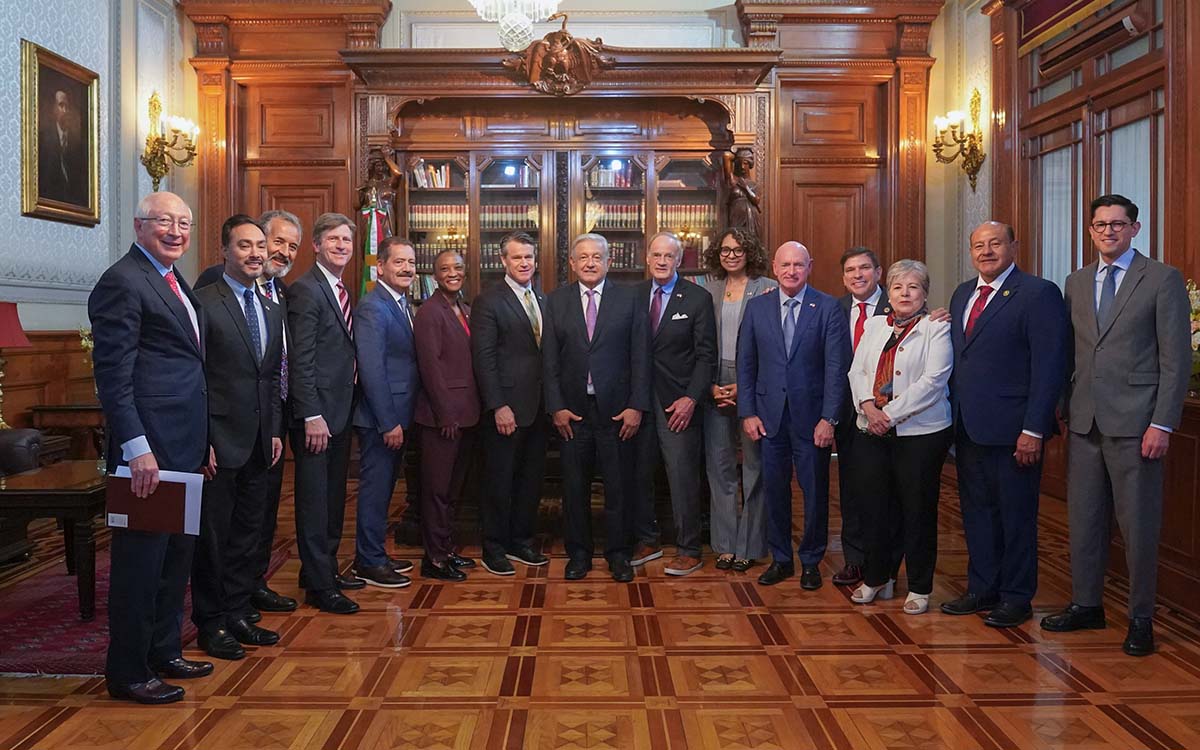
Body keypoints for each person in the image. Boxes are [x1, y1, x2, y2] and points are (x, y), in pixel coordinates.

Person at [1041, 194, 1191, 656]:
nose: (1109, 231)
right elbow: (1071, 350)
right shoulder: (1077, 281)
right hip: (1084, 421)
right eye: (1101, 225)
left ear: (1135, 229)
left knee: (1138, 526)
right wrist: (1064, 405)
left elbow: (1176, 359)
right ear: (1090, 231)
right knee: (1083, 520)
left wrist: (1162, 424)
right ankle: (1087, 605)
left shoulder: (1162, 279)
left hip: (1137, 423)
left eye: (1118, 224)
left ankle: (1140, 617)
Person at [89, 191, 211, 704]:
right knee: (140, 565)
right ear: (140, 226)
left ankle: (164, 650)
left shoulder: (173, 279)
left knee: (174, 560)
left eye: (184, 222)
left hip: (183, 446)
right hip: (149, 454)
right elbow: (113, 377)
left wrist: (203, 443)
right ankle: (129, 672)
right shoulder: (122, 281)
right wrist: (136, 448)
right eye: (164, 221)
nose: (176, 231)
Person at [943, 221, 1068, 627]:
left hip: (1015, 431)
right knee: (977, 513)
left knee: (1016, 517)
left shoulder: (1038, 294)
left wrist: (1034, 429)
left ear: (1014, 245)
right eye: (978, 245)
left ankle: (1016, 597)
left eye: (995, 243)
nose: (987, 251)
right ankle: (982, 588)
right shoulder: (963, 293)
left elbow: (1050, 367)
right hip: (968, 427)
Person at [196, 209, 303, 618]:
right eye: (248, 245)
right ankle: (214, 619)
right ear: (225, 250)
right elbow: (200, 375)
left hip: (263, 434)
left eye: (264, 246)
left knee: (251, 529)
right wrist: (203, 437)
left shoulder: (273, 301)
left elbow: (271, 373)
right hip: (220, 437)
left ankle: (241, 607)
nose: (260, 253)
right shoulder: (206, 297)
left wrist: (274, 429)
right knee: (216, 535)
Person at [737, 241, 850, 590]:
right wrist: (748, 412)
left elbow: (836, 368)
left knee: (815, 493)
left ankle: (812, 561)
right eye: (785, 265)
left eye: (798, 265)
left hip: (812, 419)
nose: (791, 271)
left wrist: (829, 418)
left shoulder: (828, 307)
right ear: (774, 267)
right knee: (774, 491)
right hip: (769, 418)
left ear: (809, 266)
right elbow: (746, 364)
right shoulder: (756, 308)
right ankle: (781, 559)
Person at [543, 233, 650, 583]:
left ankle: (619, 554)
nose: (590, 263)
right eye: (583, 257)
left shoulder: (630, 299)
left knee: (619, 487)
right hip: (573, 413)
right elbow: (549, 362)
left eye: (597, 257)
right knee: (574, 488)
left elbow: (640, 356)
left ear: (609, 262)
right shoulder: (555, 301)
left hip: (618, 412)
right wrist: (556, 406)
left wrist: (637, 405)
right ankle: (579, 554)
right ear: (572, 263)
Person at [846, 260, 952, 615]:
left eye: (913, 287)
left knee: (916, 509)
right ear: (887, 293)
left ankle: (920, 586)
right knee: (874, 509)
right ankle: (879, 577)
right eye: (897, 287)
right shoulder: (875, 326)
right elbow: (857, 369)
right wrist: (867, 407)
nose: (905, 293)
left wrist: (888, 415)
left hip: (920, 434)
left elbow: (933, 383)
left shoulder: (935, 328)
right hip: (871, 429)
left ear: (924, 294)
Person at [630, 232, 716, 576]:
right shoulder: (632, 296)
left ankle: (689, 548)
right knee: (639, 474)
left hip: (677, 403)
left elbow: (707, 355)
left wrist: (691, 398)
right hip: (637, 401)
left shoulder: (697, 298)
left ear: (680, 260)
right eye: (656, 255)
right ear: (647, 259)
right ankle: (647, 540)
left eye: (669, 256)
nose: (662, 261)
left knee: (682, 477)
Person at [288, 212, 362, 614]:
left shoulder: (338, 288)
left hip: (340, 410)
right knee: (315, 501)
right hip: (317, 417)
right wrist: (311, 414)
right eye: (333, 240)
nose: (341, 247)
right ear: (315, 245)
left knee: (334, 497)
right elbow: (301, 360)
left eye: (346, 241)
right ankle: (319, 586)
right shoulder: (306, 290)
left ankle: (324, 569)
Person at [471, 232, 550, 576]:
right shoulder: (489, 301)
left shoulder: (543, 300)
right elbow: (483, 359)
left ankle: (521, 541)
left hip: (539, 407)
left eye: (529, 257)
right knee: (499, 480)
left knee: (530, 479)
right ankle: (494, 547)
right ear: (503, 260)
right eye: (517, 257)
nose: (524, 263)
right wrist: (497, 405)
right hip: (506, 408)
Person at [350, 237, 421, 588]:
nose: (407, 268)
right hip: (382, 419)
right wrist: (388, 421)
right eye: (399, 262)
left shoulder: (400, 303)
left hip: (399, 415)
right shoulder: (372, 306)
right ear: (381, 267)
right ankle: (369, 562)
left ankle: (376, 551)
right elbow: (372, 368)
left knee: (385, 490)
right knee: (375, 491)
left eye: (411, 262)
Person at [703, 227, 773, 572]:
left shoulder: (767, 288)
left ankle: (751, 544)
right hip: (715, 383)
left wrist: (744, 388)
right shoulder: (708, 289)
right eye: (725, 250)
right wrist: (711, 385)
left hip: (754, 384)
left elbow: (773, 349)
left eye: (738, 250)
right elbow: (699, 343)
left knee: (755, 468)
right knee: (720, 468)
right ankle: (726, 545)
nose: (731, 255)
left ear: (751, 252)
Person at [413, 250, 481, 581]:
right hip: (442, 418)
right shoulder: (429, 312)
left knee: (454, 491)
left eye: (457, 267)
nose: (452, 273)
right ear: (434, 276)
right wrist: (445, 413)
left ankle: (447, 549)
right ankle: (435, 558)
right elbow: (431, 368)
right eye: (445, 269)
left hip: (467, 414)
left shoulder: (464, 309)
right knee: (437, 491)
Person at [832, 246, 891, 587]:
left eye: (865, 268)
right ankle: (855, 561)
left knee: (887, 493)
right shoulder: (834, 309)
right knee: (852, 492)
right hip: (847, 414)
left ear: (878, 272)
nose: (858, 275)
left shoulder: (898, 304)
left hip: (890, 415)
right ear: (843, 278)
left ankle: (884, 564)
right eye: (851, 270)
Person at [38, 88, 86, 205]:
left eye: (67, 106)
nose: (65, 111)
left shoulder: (79, 146)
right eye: (61, 105)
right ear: (53, 109)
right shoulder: (43, 140)